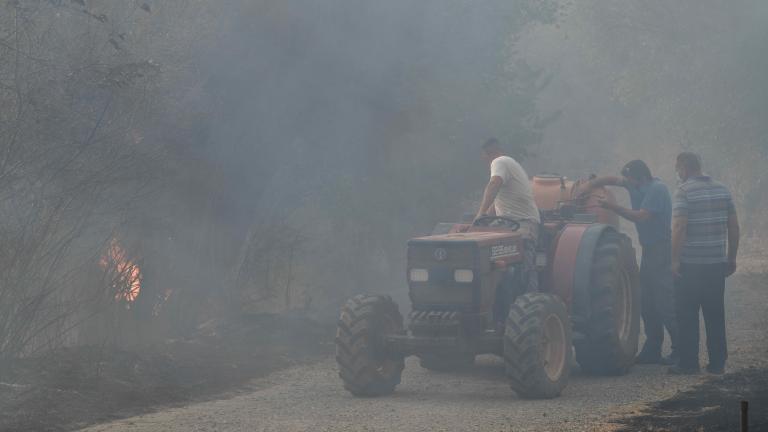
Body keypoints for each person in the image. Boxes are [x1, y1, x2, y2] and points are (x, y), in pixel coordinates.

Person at [577, 160, 678, 365]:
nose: (626, 183)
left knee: (664, 300)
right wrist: (590, 185)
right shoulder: (635, 184)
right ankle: (653, 347)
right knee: (647, 300)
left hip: (661, 249)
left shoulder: (657, 189)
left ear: (641, 177)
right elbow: (613, 179)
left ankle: (681, 348)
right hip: (649, 249)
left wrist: (612, 207)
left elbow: (641, 216)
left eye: (629, 179)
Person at [668, 152, 739, 375]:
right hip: (716, 264)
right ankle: (717, 363)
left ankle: (688, 363)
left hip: (690, 265)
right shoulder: (723, 190)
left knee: (687, 313)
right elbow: (733, 226)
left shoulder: (683, 191)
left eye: (677, 169)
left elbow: (679, 226)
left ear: (684, 168)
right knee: (715, 313)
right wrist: (731, 257)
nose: (677, 173)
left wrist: (674, 260)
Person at [473, 138, 540, 292]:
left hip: (522, 223)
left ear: (487, 154)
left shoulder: (500, 161)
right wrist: (481, 220)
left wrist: (480, 213)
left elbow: (493, 185)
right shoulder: (511, 164)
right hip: (508, 222)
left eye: (484, 157)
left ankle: (530, 295)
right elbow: (496, 203)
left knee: (524, 265)